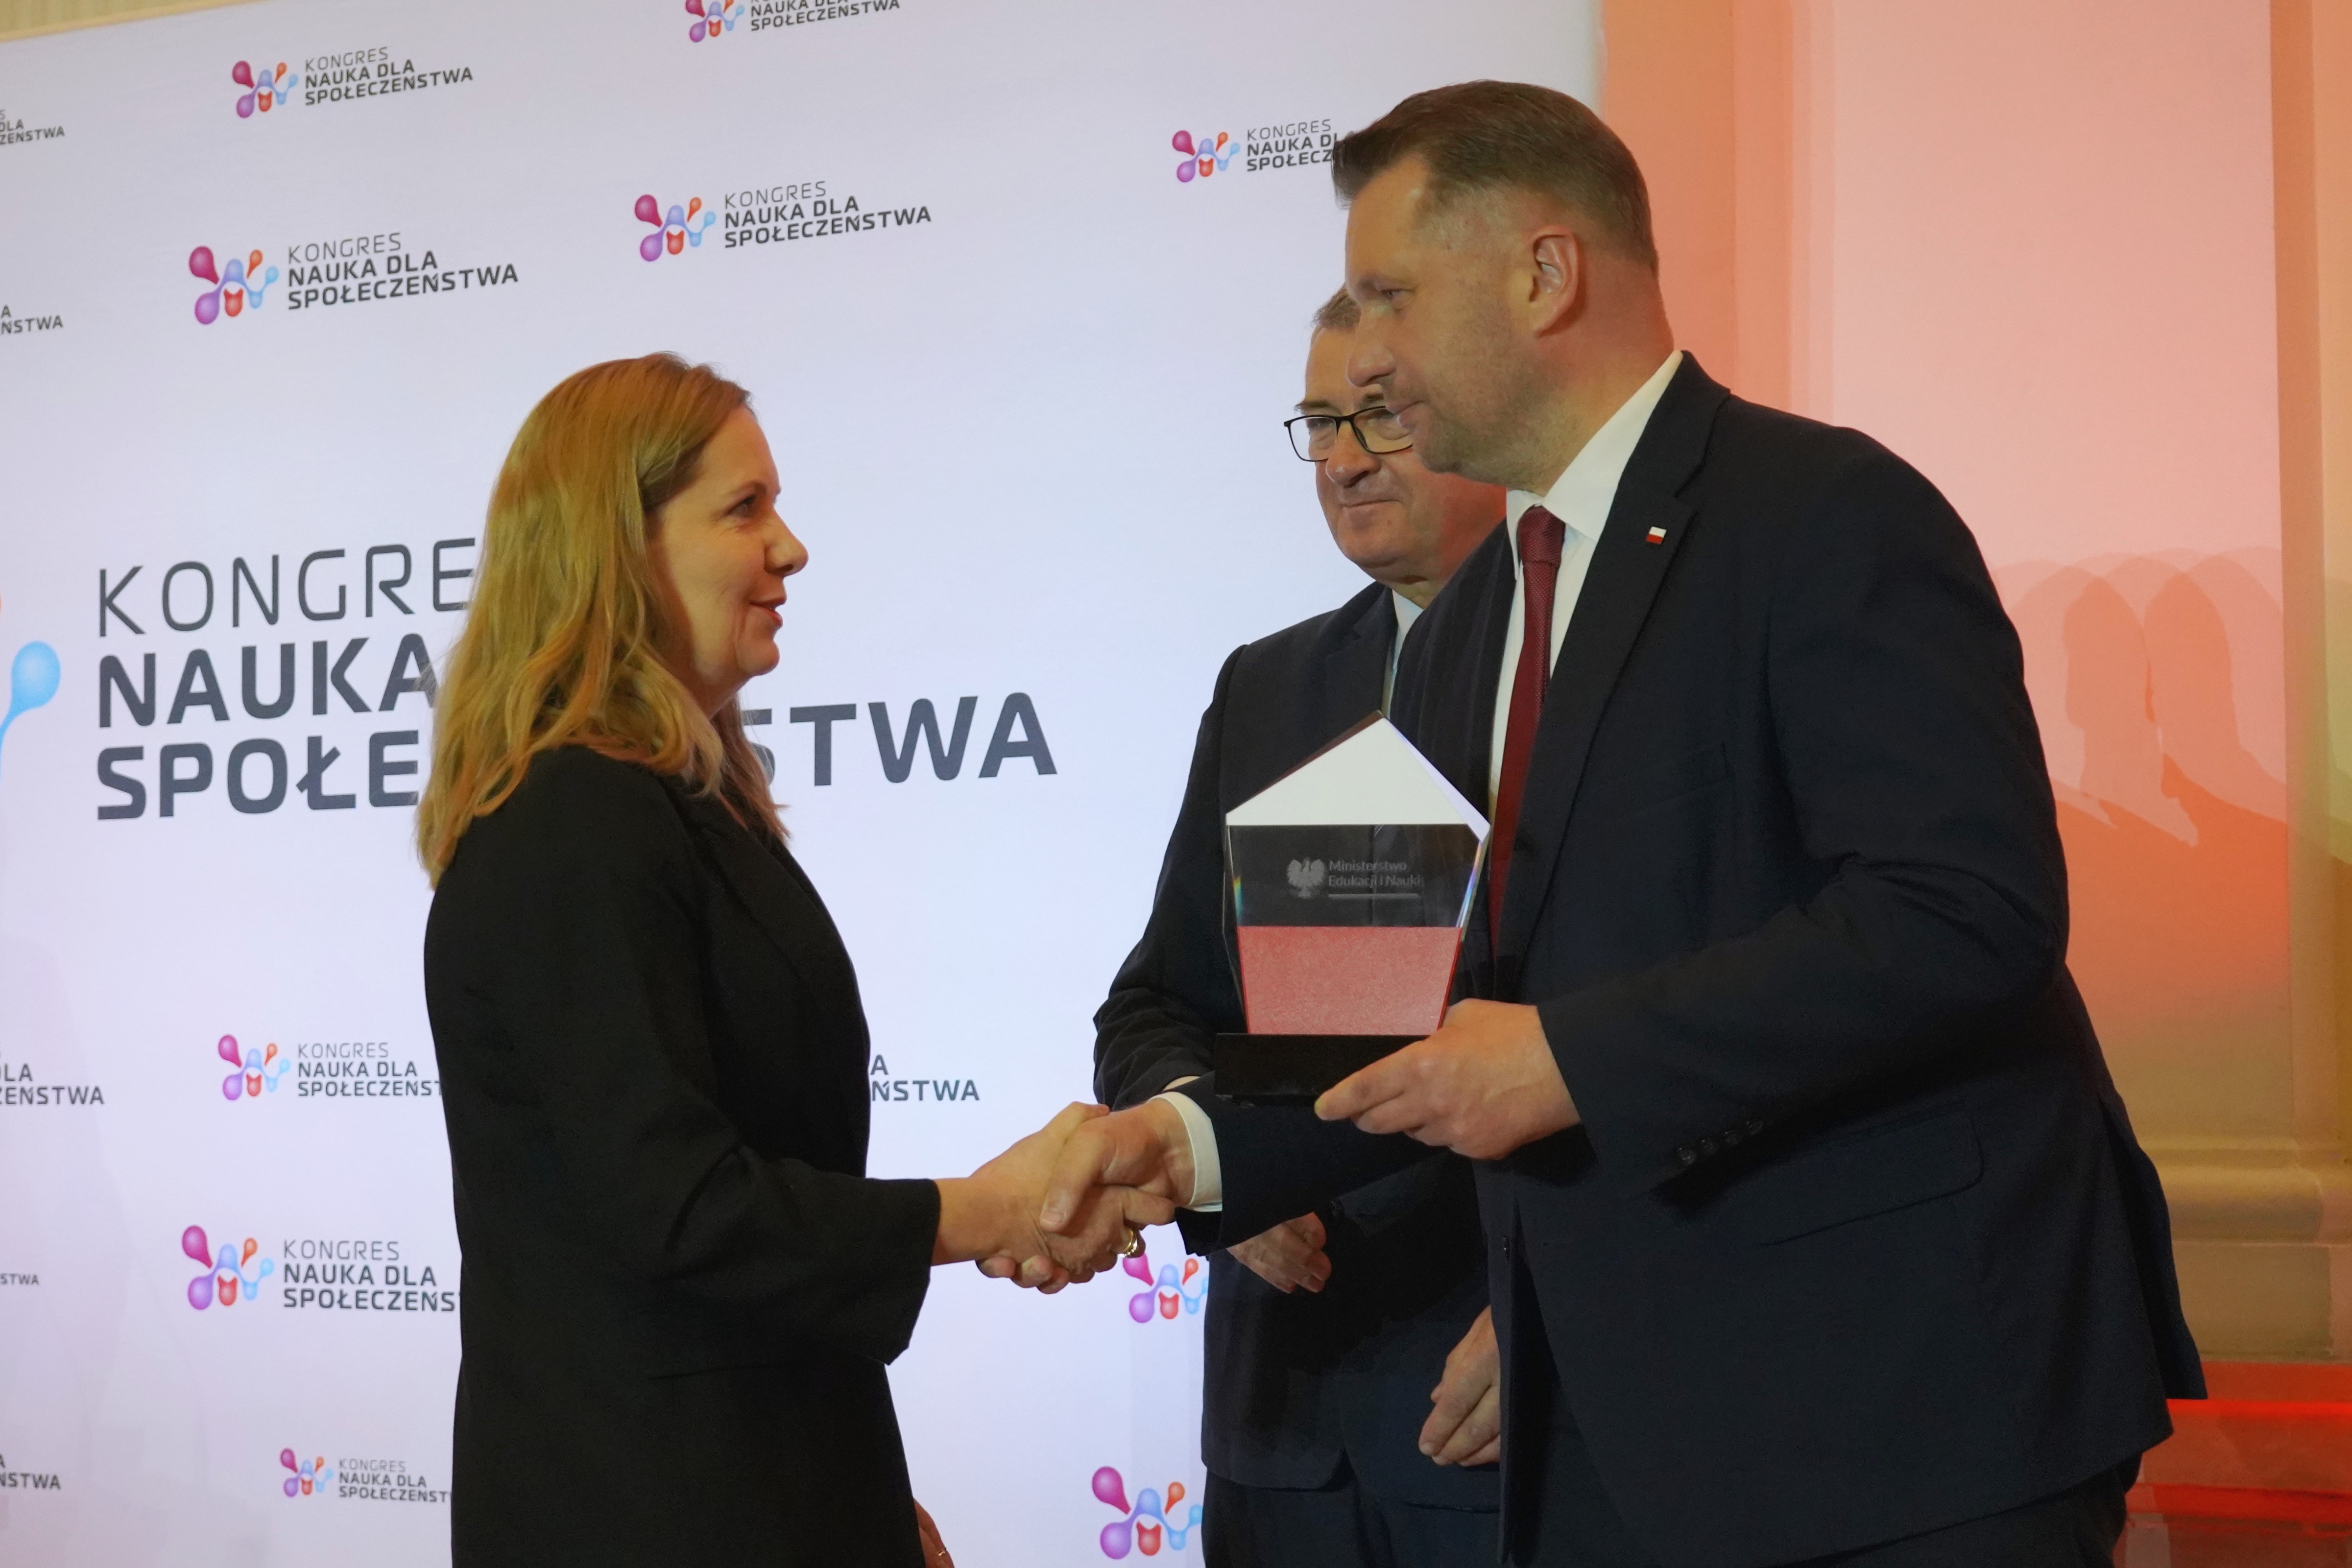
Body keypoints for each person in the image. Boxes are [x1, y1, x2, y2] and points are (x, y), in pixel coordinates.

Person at [1043, 81, 2203, 1568]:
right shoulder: (1464, 630)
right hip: (1623, 1431)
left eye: (1391, 294)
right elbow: (1365, 1017)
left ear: (1546, 273)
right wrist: (1185, 1153)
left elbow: (1962, 910)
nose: (1367, 354)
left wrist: (1569, 1060)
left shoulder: (1826, 512)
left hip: (1908, 1416)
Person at [415, 354, 1165, 1568]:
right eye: (744, 508)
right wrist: (985, 1208)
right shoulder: (574, 820)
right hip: (645, 1508)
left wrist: (858, 1486)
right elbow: (681, 1204)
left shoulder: (678, 807)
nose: (791, 547)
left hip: (756, 1480)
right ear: (619, 546)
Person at [1095, 286, 1506, 1568]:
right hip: (1283, 1431)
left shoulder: (1590, 673)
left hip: (1493, 1413)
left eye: (1379, 416)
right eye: (1321, 422)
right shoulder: (1267, 686)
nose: (1342, 460)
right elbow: (1155, 1003)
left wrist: (1566, 1309)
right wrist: (1222, 1164)